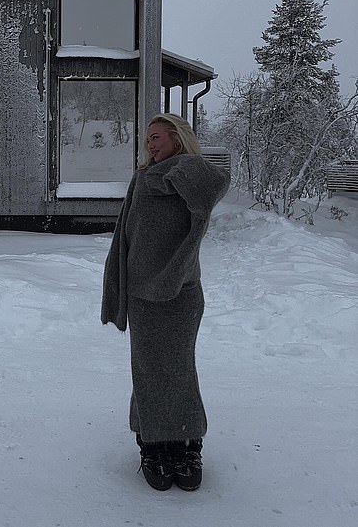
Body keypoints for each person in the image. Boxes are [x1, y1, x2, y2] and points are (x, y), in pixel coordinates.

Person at [101, 113, 230, 491]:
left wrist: (180, 169)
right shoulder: (142, 179)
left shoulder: (191, 174)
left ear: (177, 138)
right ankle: (153, 442)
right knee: (148, 368)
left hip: (182, 292)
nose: (151, 145)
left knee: (179, 367)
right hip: (143, 295)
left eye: (157, 137)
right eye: (148, 140)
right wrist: (117, 287)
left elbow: (215, 185)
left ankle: (187, 442)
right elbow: (124, 235)